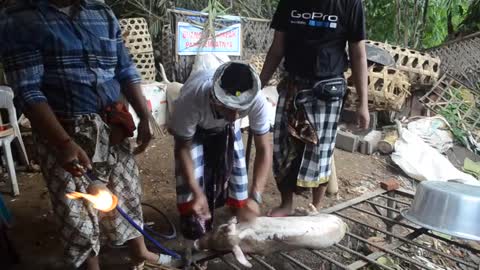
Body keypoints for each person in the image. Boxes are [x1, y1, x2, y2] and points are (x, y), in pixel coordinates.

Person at [0, 0, 174, 269]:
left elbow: (125, 69)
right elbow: (28, 91)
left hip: (113, 127)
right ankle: (91, 265)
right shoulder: (20, 18)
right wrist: (63, 143)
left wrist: (145, 117)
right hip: (64, 131)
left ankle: (139, 252)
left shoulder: (100, 12)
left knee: (126, 192)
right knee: (76, 209)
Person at [260, 0, 370, 216]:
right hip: (292, 83)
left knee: (321, 151)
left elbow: (358, 54)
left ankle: (315, 206)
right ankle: (286, 203)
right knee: (283, 146)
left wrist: (363, 103)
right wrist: (258, 85)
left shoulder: (350, 4)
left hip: (327, 89)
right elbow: (277, 48)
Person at [169, 61, 272, 241]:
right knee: (192, 195)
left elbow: (264, 148)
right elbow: (182, 148)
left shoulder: (256, 100)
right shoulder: (192, 98)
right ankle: (197, 234)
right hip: (196, 130)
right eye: (227, 108)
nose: (234, 116)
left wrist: (255, 196)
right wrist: (196, 191)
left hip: (226, 129)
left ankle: (233, 221)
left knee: (235, 179)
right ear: (213, 98)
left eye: (239, 110)